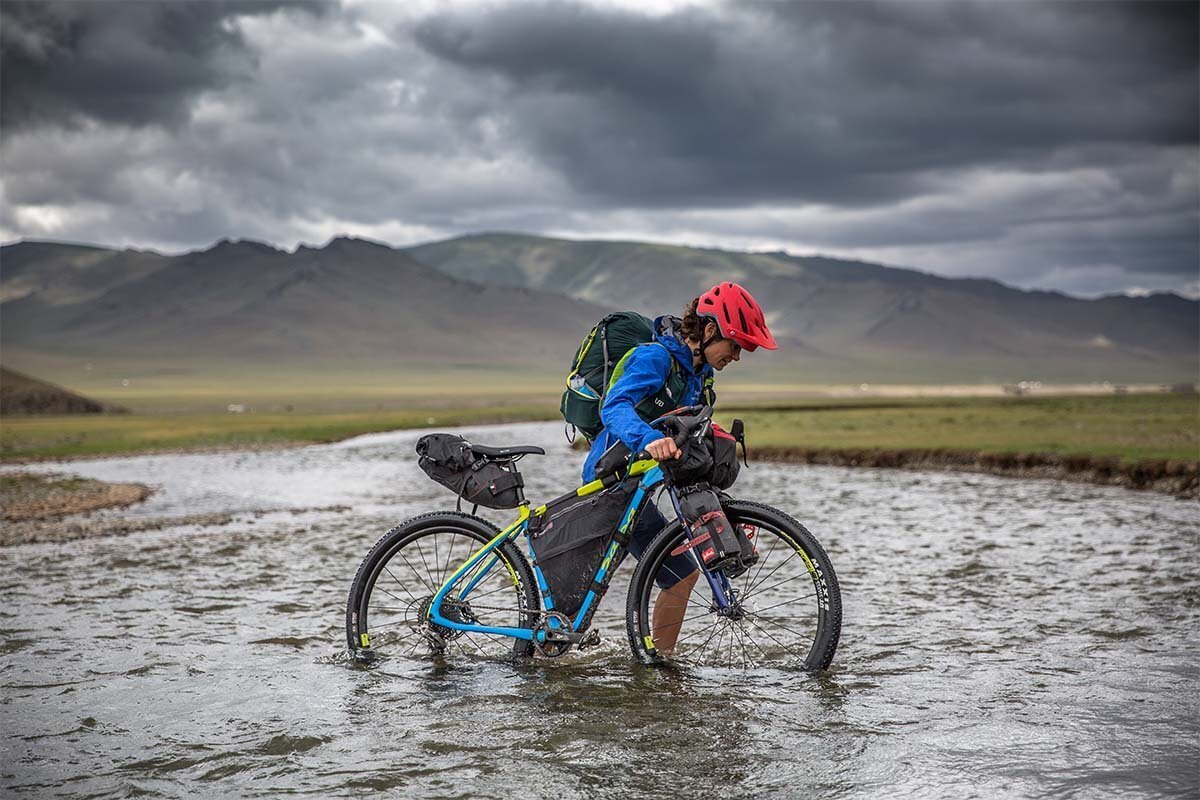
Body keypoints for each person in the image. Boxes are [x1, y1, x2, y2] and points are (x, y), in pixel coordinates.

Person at [581, 282, 777, 653]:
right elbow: (614, 406)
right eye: (735, 345)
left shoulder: (699, 376)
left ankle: (661, 665)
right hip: (611, 480)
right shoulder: (655, 358)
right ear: (708, 331)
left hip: (640, 486)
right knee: (579, 587)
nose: (737, 355)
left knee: (679, 575)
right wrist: (647, 439)